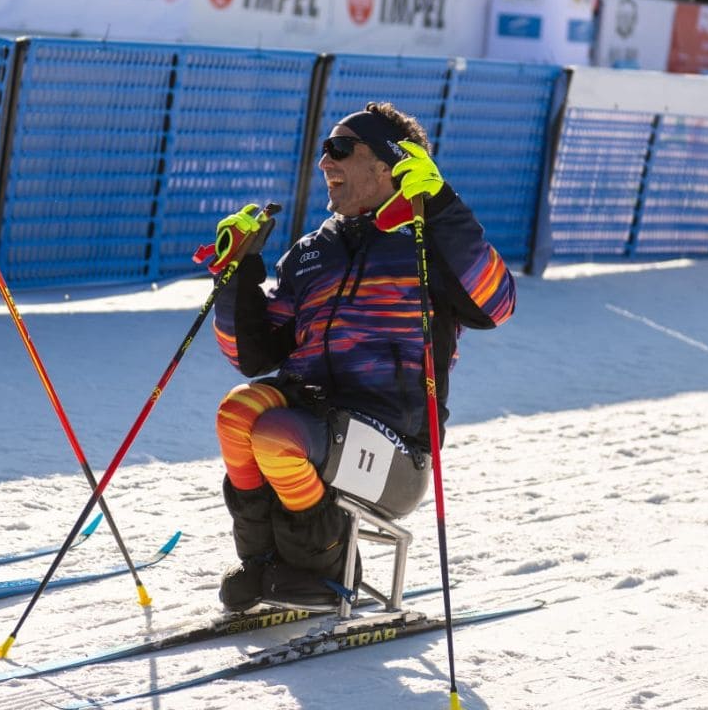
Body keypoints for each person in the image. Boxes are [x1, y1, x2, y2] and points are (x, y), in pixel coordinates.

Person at [208, 102, 516, 611]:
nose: (325, 162)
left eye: (340, 149)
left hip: (397, 452)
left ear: (389, 165)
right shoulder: (312, 252)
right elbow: (251, 354)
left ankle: (327, 567)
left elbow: (496, 305)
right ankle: (262, 564)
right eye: (324, 150)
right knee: (237, 412)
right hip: (318, 420)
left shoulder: (426, 240)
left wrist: (440, 207)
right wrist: (235, 275)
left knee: (277, 434)